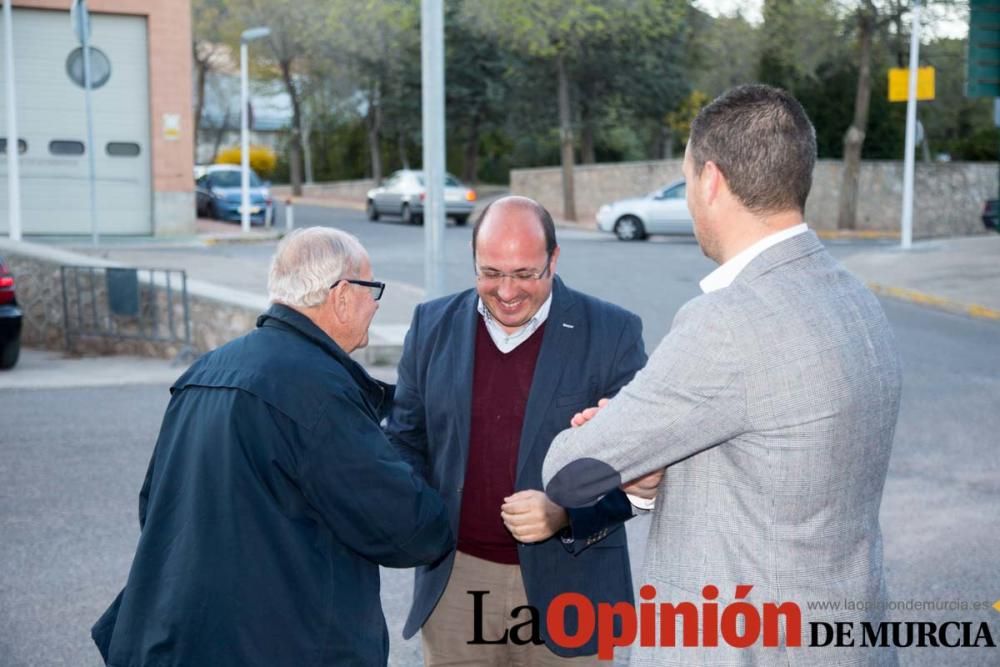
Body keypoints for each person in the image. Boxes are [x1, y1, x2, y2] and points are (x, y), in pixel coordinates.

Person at [543, 85, 902, 666]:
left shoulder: (730, 322)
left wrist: (618, 431)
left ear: (711, 180)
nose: (689, 197)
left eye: (686, 179)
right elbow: (777, 461)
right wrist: (649, 462)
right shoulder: (856, 300)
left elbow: (567, 475)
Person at [91, 227, 454, 666]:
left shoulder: (205, 371)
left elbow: (156, 506)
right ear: (341, 296)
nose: (375, 303)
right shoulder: (317, 392)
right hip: (285, 647)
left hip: (180, 640)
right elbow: (410, 529)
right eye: (371, 288)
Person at [385, 195, 647, 665]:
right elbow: (405, 440)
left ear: (553, 259)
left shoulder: (612, 333)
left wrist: (565, 514)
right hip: (454, 586)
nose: (507, 291)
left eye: (525, 274)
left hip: (573, 590)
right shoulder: (430, 325)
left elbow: (640, 469)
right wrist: (416, 516)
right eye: (491, 272)